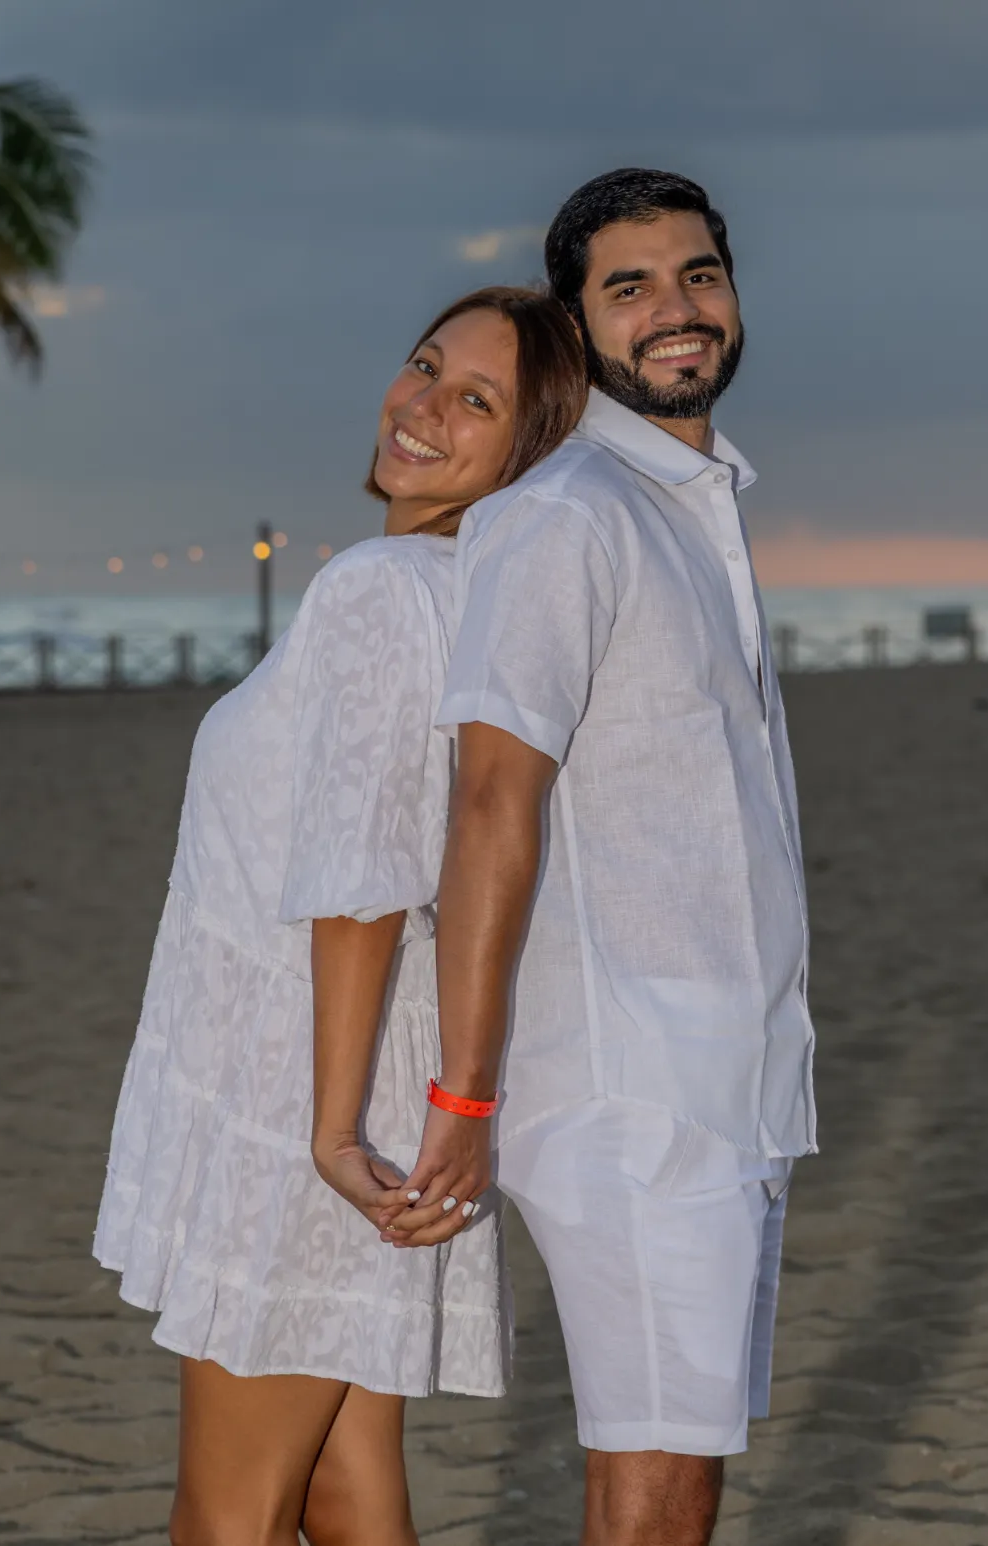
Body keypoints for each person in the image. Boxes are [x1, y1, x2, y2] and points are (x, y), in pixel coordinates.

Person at [92, 286, 587, 1546]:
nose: (419, 405)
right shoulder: (472, 591)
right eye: (424, 367)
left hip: (311, 1102)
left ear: (527, 449)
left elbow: (364, 880)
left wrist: (323, 1133)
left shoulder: (377, 588)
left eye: (474, 400)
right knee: (344, 1481)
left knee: (228, 1515)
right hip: (381, 1079)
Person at [398, 169, 816, 1546]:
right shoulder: (569, 512)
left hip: (725, 1081)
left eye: (697, 274)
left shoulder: (693, 508)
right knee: (657, 1480)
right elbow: (487, 803)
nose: (674, 309)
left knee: (671, 1471)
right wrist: (463, 1095)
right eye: (627, 286)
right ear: (577, 331)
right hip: (634, 1089)